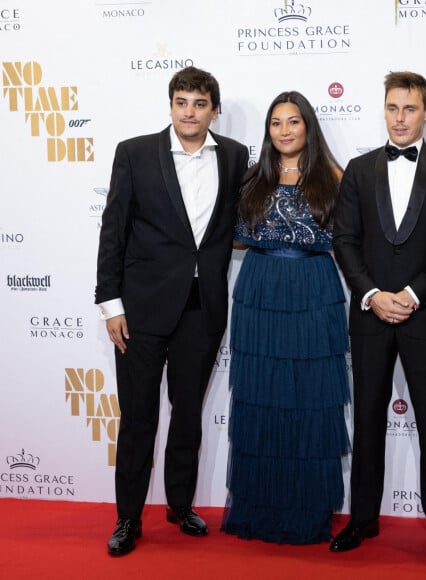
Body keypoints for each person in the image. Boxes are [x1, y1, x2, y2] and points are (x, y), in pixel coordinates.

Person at [95, 66, 248, 556]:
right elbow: (113, 230)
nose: (190, 111)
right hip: (139, 311)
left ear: (214, 110)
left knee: (187, 415)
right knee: (138, 418)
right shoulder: (135, 153)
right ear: (170, 106)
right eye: (182, 101)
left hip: (201, 310)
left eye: (200, 103)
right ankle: (127, 519)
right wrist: (110, 303)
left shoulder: (237, 157)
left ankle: (180, 505)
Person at [330, 71, 426, 553]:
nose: (400, 118)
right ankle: (362, 518)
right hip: (369, 316)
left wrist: (412, 294)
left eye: (410, 109)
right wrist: (372, 294)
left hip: (425, 314)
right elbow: (344, 241)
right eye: (392, 107)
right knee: (367, 418)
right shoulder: (359, 167)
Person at [221, 91, 350, 544]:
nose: (285, 131)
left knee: (309, 400)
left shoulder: (334, 176)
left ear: (308, 126)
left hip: (314, 289)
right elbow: (234, 238)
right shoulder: (253, 176)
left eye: (293, 121)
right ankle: (260, 511)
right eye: (276, 123)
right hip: (259, 289)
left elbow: (351, 240)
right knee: (261, 398)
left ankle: (306, 512)